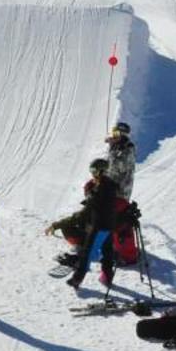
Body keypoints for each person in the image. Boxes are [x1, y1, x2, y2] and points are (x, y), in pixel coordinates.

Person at [66, 158, 120, 289]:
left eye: (94, 171)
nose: (92, 174)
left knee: (87, 252)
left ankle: (77, 279)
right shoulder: (109, 184)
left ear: (101, 171)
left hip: (99, 225)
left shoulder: (100, 187)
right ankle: (107, 276)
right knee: (107, 251)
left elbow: (91, 203)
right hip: (109, 225)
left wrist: (90, 192)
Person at [103, 121, 136, 199]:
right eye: (113, 133)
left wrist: (112, 149)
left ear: (123, 135)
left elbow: (121, 167)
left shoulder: (128, 149)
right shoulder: (116, 147)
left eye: (116, 134)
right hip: (110, 190)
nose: (113, 136)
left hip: (121, 193)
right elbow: (108, 167)